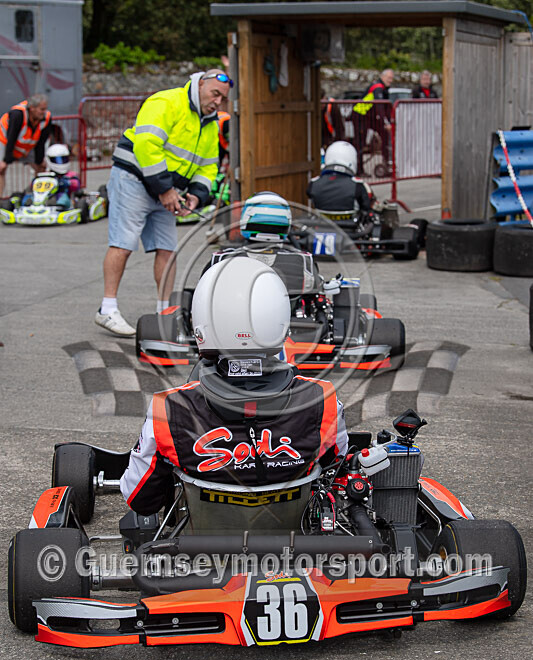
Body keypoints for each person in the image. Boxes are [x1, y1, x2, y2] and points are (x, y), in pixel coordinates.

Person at [120, 255, 348, 514]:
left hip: (203, 547)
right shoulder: (323, 400)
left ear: (203, 318)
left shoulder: (169, 409)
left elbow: (140, 499)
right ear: (280, 318)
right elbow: (336, 473)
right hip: (297, 544)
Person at [95, 69, 231, 337]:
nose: (217, 102)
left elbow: (208, 167)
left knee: (168, 250)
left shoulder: (209, 123)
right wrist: (166, 189)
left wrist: (195, 195)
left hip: (165, 190)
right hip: (133, 179)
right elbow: (146, 144)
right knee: (123, 244)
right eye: (215, 94)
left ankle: (165, 313)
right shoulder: (167, 102)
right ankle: (107, 309)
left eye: (222, 98)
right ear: (200, 84)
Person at [0, 94, 51, 198]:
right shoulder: (17, 115)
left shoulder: (46, 118)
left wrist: (39, 159)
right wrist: (6, 160)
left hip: (25, 146)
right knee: (1, 169)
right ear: (32, 108)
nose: (44, 112)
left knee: (42, 167)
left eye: (45, 109)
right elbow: (11, 137)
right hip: (5, 142)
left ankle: (37, 195)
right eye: (41, 109)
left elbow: (41, 142)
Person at [307, 141, 372, 218]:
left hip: (321, 226)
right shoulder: (357, 185)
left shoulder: (313, 183)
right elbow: (366, 208)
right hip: (350, 227)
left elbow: (310, 195)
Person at [353, 69, 394, 174]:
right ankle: (359, 169)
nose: (390, 80)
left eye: (392, 78)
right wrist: (386, 123)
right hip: (360, 115)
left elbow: (386, 109)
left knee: (384, 135)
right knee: (360, 143)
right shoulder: (378, 88)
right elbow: (380, 106)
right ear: (383, 77)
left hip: (369, 116)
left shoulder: (384, 89)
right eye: (389, 78)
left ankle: (387, 163)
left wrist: (390, 122)